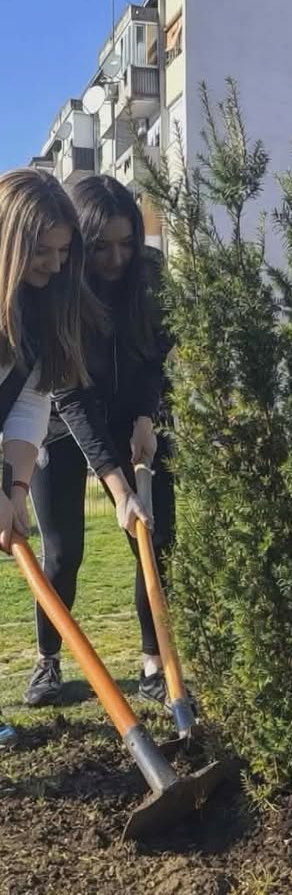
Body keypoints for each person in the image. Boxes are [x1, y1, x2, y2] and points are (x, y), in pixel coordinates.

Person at [26, 174, 174, 710]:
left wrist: (145, 417)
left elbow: (158, 356)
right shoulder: (64, 291)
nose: (117, 258)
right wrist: (116, 486)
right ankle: (47, 663)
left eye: (127, 242)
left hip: (138, 419)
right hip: (64, 426)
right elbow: (69, 397)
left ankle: (155, 665)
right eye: (103, 246)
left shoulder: (151, 278)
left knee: (154, 540)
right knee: (63, 553)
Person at [0, 168, 104, 746]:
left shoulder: (41, 310)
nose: (56, 265)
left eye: (64, 252)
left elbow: (30, 406)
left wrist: (14, 492)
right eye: (42, 251)